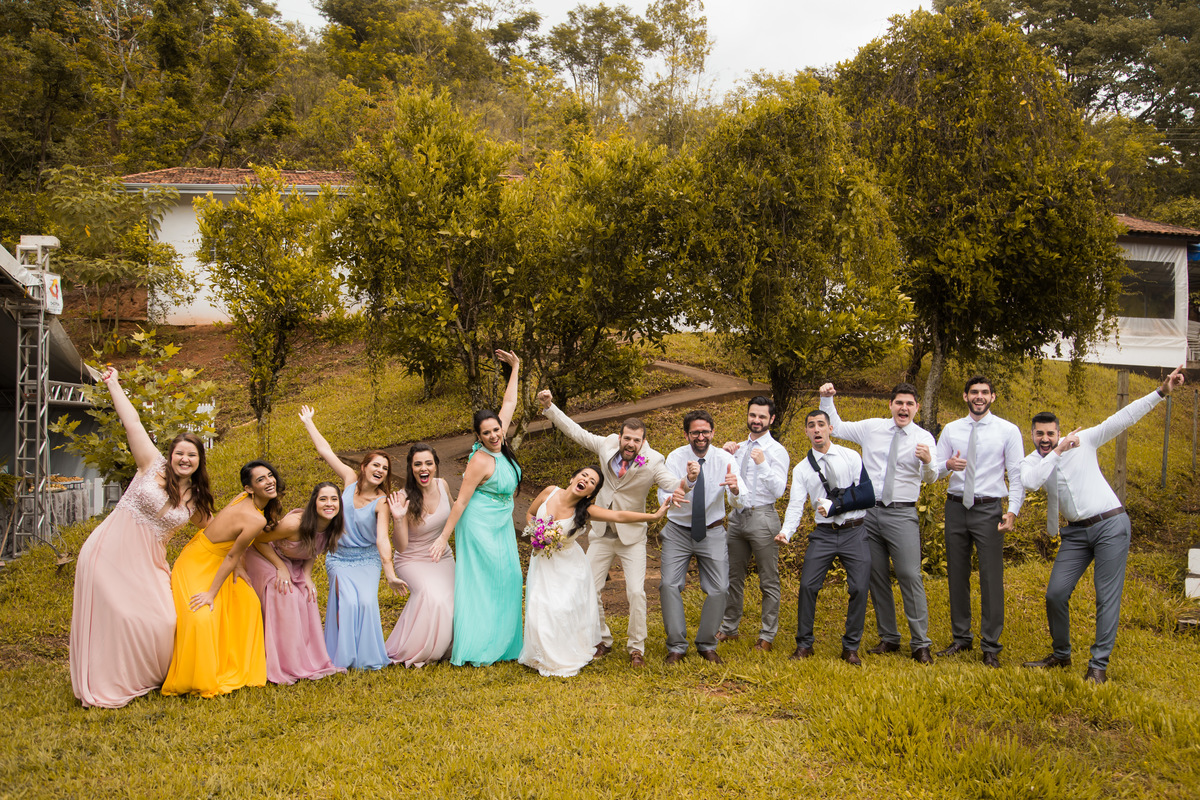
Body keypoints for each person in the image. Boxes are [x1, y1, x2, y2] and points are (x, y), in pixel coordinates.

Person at [1020, 366, 1185, 684]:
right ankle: (1061, 654)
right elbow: (1031, 482)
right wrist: (1058, 451)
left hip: (1110, 524)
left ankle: (1098, 666)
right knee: (1055, 594)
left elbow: (1121, 419)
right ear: (1032, 435)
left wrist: (1160, 392)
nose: (1045, 439)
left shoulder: (1084, 440)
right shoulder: (1032, 461)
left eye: (1051, 434)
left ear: (1059, 431)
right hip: (1075, 534)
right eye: (1040, 434)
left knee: (1105, 596)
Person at [70, 366, 215, 708]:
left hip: (149, 564)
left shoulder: (196, 500)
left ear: (199, 461)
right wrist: (113, 384)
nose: (184, 459)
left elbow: (218, 530)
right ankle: (107, 680)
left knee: (164, 620)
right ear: (171, 455)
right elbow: (132, 421)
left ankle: (147, 677)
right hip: (109, 552)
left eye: (191, 455)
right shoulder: (150, 465)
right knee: (119, 617)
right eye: (180, 453)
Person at [538, 389, 682, 667]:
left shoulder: (654, 460)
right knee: (589, 588)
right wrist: (550, 408)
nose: (631, 443)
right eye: (627, 438)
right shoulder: (606, 445)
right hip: (602, 533)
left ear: (643, 441)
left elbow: (670, 483)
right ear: (620, 437)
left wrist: (686, 482)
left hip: (632, 537)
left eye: (636, 440)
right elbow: (577, 432)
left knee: (636, 592)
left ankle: (636, 648)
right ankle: (602, 639)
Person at [820, 382, 939, 664]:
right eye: (899, 403)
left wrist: (927, 462)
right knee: (876, 575)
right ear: (891, 405)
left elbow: (931, 477)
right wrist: (826, 399)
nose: (904, 408)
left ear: (916, 408)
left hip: (902, 514)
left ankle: (920, 643)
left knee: (909, 574)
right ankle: (889, 637)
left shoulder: (924, 437)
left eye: (909, 404)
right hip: (870, 513)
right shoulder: (872, 428)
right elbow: (837, 427)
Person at [519, 466, 672, 677]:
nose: (587, 480)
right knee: (540, 606)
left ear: (591, 493)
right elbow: (530, 513)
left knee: (561, 609)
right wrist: (537, 531)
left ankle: (562, 654)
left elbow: (618, 515)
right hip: (543, 562)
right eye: (584, 475)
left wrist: (654, 516)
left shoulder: (586, 511)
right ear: (573, 478)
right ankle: (540, 654)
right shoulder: (549, 491)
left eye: (592, 482)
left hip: (569, 566)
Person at [430, 350, 523, 667]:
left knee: (510, 578)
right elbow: (461, 502)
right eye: (487, 433)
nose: (494, 435)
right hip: (479, 523)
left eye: (496, 429)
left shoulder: (501, 442)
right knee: (485, 582)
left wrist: (515, 368)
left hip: (501, 521)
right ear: (479, 436)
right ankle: (479, 646)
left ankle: (505, 644)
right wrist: (443, 537)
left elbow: (509, 403)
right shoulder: (480, 460)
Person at [298, 405, 407, 671]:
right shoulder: (348, 480)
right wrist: (309, 422)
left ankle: (368, 657)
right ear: (363, 466)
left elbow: (382, 539)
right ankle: (341, 657)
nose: (380, 470)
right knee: (347, 603)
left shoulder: (382, 501)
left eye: (385, 468)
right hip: (340, 558)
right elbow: (326, 451)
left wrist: (390, 574)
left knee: (367, 603)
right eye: (376, 465)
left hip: (368, 560)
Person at [161, 460, 281, 698]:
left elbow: (232, 547)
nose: (269, 481)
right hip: (198, 561)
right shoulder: (255, 517)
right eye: (261, 479)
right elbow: (232, 554)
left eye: (270, 476)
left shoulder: (253, 507)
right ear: (248, 489)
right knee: (201, 616)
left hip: (222, 560)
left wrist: (239, 567)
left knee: (249, 603)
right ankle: (200, 676)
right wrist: (211, 593)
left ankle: (240, 664)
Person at [934, 375, 1025, 668]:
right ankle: (961, 637)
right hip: (956, 507)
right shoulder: (952, 429)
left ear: (992, 397)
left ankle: (990, 645)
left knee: (990, 577)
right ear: (965, 396)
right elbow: (933, 470)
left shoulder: (1008, 431)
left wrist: (1013, 510)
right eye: (974, 392)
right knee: (956, 574)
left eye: (985, 392)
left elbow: (1017, 474)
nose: (979, 396)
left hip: (989, 509)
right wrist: (948, 465)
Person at [776, 410, 872, 665]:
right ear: (806, 431)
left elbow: (865, 494)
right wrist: (786, 531)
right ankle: (804, 645)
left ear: (830, 428)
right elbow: (796, 504)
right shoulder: (802, 469)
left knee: (859, 588)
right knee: (808, 586)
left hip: (854, 531)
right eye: (811, 425)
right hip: (824, 534)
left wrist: (836, 506)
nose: (816, 429)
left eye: (821, 424)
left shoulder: (851, 456)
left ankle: (850, 647)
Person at [658, 409, 743, 665]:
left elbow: (739, 500)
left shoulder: (725, 459)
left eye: (705, 431)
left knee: (720, 588)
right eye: (695, 432)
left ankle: (707, 644)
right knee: (669, 585)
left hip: (712, 530)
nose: (701, 436)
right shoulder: (675, 457)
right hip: (678, 531)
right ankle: (676, 646)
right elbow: (665, 495)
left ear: (713, 432)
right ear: (686, 435)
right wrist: (684, 486)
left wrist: (735, 490)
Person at [243, 482, 346, 684]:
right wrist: (280, 567)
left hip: (292, 563)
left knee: (307, 596)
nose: (329, 504)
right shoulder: (294, 524)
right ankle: (284, 662)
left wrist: (307, 575)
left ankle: (305, 657)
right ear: (314, 503)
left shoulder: (331, 526)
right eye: (323, 499)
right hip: (262, 557)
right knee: (286, 593)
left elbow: (312, 549)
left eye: (334, 499)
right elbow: (257, 539)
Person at [717, 396, 790, 652]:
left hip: (763, 517)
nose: (756, 420)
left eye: (762, 416)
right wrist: (724, 454)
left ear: (771, 419)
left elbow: (779, 490)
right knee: (733, 576)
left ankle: (767, 635)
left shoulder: (776, 451)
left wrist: (762, 464)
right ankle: (729, 628)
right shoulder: (737, 448)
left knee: (768, 580)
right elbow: (727, 480)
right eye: (753, 415)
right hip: (737, 517)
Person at [384, 444, 456, 667]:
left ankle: (447, 647)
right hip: (412, 559)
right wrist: (398, 519)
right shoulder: (402, 497)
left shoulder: (443, 485)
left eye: (428, 463)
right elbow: (401, 546)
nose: (423, 468)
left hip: (441, 557)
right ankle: (420, 649)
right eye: (418, 464)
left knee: (454, 596)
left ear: (435, 465)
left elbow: (455, 513)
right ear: (411, 468)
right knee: (432, 596)